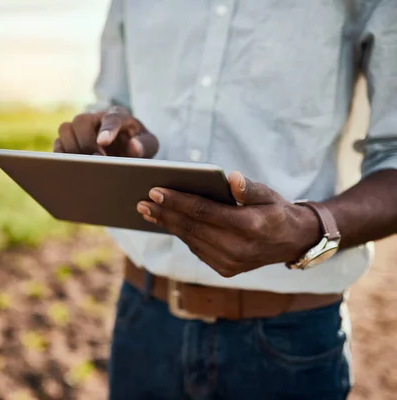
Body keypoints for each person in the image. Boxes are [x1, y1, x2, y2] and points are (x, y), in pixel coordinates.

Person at [53, 1, 397, 399]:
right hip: (142, 322)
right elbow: (115, 102)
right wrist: (114, 141)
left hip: (291, 340)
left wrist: (308, 227)